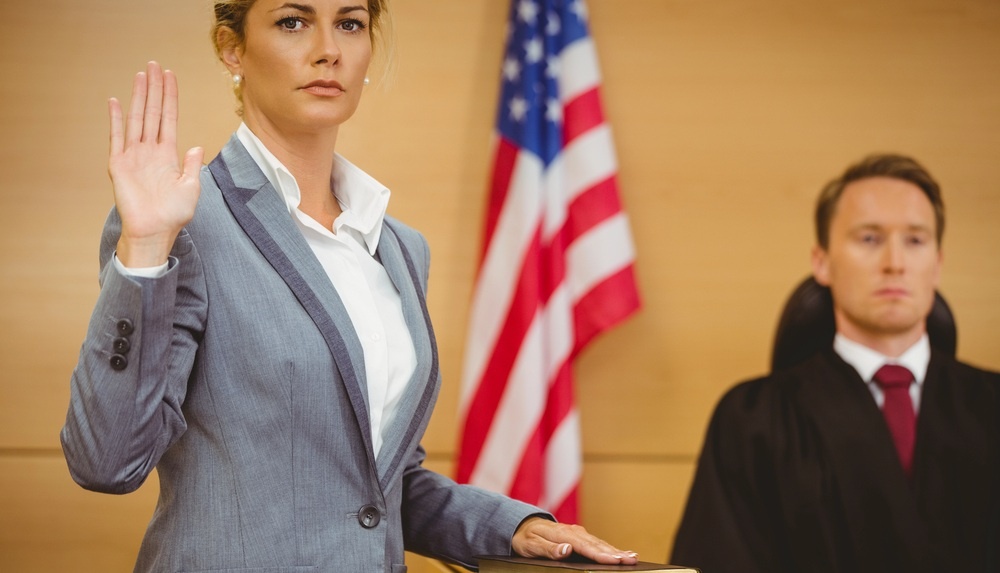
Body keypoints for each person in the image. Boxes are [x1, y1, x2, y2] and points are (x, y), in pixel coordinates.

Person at [59, 1, 639, 571]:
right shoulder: (181, 222)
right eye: (293, 21)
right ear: (231, 47)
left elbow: (374, 489)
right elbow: (108, 462)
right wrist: (143, 250)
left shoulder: (400, 246)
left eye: (350, 23)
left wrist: (514, 528)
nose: (328, 50)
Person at [670, 154, 1000, 573]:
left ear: (938, 265)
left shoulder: (993, 407)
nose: (895, 262)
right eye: (869, 239)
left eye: (915, 240)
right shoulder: (751, 419)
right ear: (821, 262)